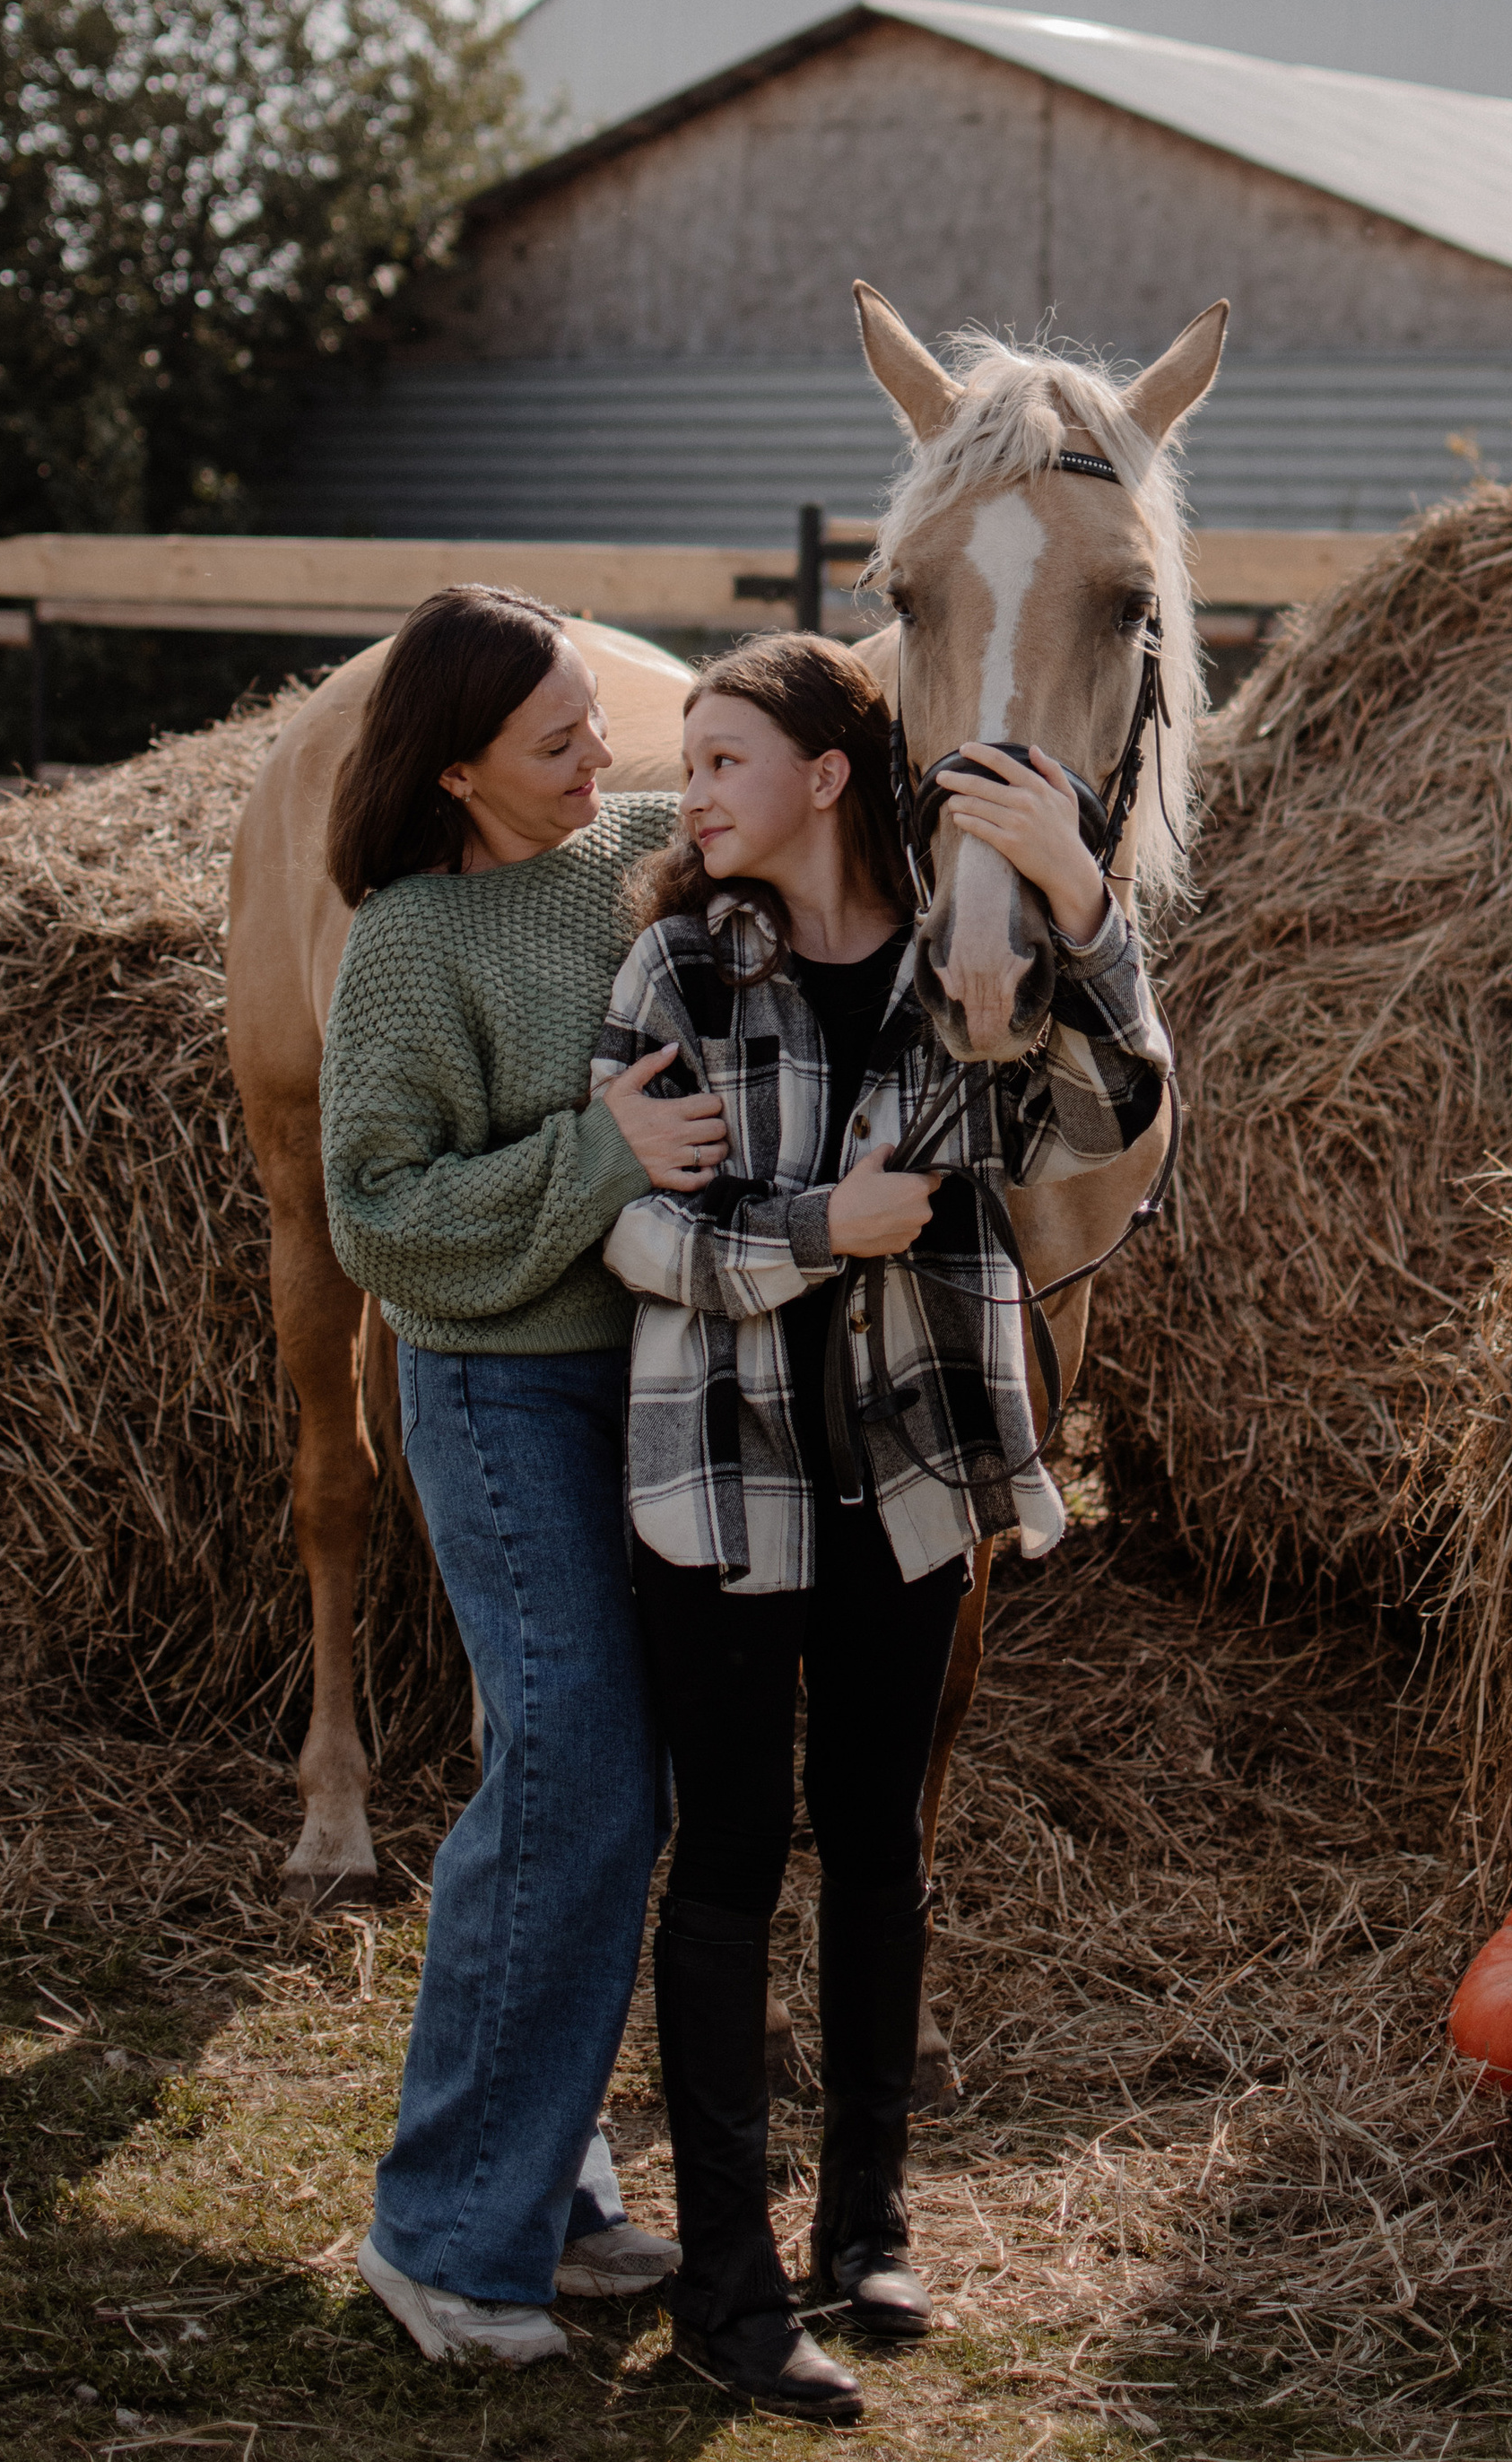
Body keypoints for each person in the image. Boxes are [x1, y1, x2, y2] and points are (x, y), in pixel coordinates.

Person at [591, 631, 1168, 2429]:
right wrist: (810, 1237)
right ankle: (726, 2285)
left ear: (828, 773)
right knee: (732, 1858)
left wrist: (1086, 905)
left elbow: (1109, 1114)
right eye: (684, 766)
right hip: (725, 1481)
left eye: (717, 759)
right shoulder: (675, 968)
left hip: (912, 1477)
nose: (682, 795)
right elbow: (631, 1239)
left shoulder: (959, 973)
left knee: (876, 1842)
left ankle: (864, 2221)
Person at [318, 584, 733, 2369]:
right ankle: (438, 2233)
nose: (601, 763)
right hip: (493, 1403)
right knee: (571, 1771)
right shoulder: (412, 943)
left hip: (645, 1393)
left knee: (606, 1787)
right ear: (462, 765)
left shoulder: (634, 851)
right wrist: (601, 1152)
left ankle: (546, 2195)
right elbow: (379, 1216)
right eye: (559, 741)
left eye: (599, 726)